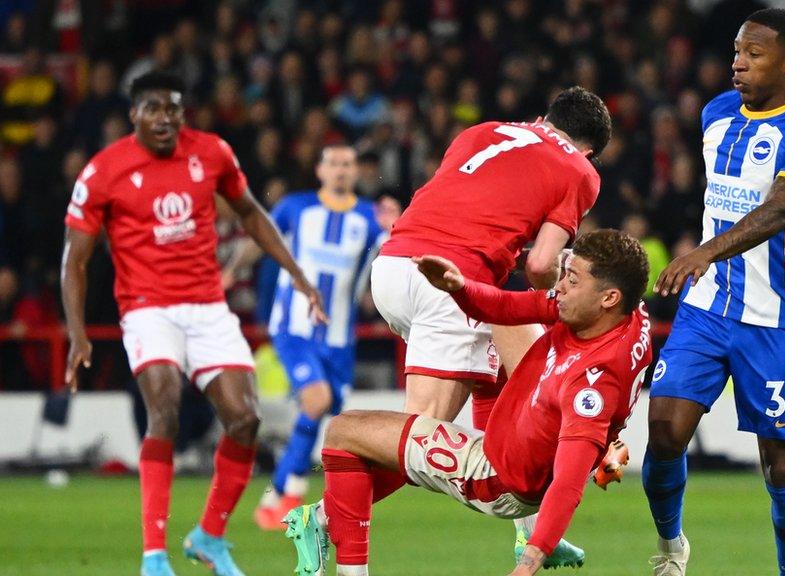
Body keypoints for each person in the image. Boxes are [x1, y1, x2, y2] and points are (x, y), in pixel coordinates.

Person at [61, 71, 325, 576]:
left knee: (244, 421)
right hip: (146, 307)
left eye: (174, 109)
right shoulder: (104, 171)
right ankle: (154, 555)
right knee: (165, 409)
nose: (165, 118)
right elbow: (75, 257)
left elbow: (250, 215)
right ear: (134, 113)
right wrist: (76, 332)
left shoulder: (212, 153)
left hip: (207, 306)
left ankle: (209, 536)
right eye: (154, 108)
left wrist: (297, 274)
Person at [284, 229, 652, 576]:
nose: (560, 288)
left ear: (608, 298)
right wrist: (460, 288)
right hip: (525, 439)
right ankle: (530, 529)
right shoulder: (624, 312)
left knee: (344, 431)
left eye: (572, 280)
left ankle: (321, 520)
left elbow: (569, 483)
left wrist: (531, 560)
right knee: (502, 323)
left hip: (497, 477)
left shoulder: (593, 385)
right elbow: (507, 307)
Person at [369, 85, 611, 566]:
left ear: (544, 116)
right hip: (451, 283)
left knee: (519, 379)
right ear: (590, 151)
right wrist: (564, 275)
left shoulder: (481, 131)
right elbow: (541, 267)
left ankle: (532, 534)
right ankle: (326, 514)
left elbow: (459, 207)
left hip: (393, 269)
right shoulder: (579, 170)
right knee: (421, 438)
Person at [643, 9, 785, 576]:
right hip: (707, 310)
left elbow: (782, 208)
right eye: (737, 50)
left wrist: (704, 252)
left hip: (775, 317)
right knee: (662, 432)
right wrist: (705, 258)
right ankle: (670, 546)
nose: (739, 61)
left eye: (754, 54)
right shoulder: (715, 114)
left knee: (782, 465)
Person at [227, 144, 387, 529]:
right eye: (333, 162)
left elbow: (391, 253)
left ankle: (277, 494)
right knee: (317, 400)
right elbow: (259, 239)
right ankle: (290, 497)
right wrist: (231, 271)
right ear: (319, 170)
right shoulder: (294, 208)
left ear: (356, 172)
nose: (340, 170)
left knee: (328, 417)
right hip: (294, 327)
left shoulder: (369, 218)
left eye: (347, 164)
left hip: (339, 338)